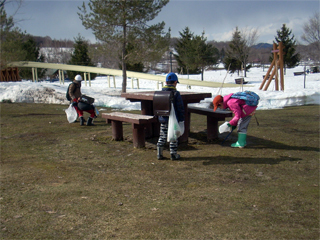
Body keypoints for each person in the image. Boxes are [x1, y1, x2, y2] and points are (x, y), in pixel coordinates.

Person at [157, 72, 185, 160]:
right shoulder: (176, 93)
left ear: (166, 82)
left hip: (163, 119)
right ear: (175, 82)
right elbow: (180, 107)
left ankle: (159, 153)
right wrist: (181, 119)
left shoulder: (160, 93)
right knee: (173, 136)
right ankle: (173, 154)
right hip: (173, 119)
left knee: (162, 136)